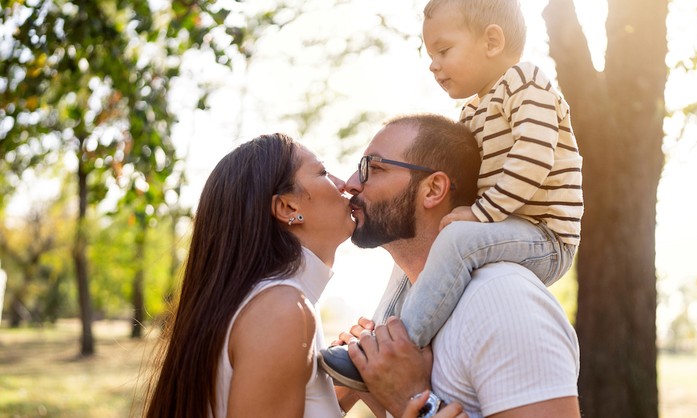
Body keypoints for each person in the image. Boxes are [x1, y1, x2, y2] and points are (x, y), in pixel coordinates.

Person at [321, 0, 583, 390]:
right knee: (420, 256)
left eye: (443, 51)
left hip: (545, 236)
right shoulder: (473, 111)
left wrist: (479, 214)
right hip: (506, 226)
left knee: (457, 239)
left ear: (492, 41)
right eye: (430, 54)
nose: (433, 64)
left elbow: (533, 158)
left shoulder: (527, 84)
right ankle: (375, 342)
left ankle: (405, 345)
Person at [139, 133, 463, 418]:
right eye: (322, 172)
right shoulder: (282, 308)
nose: (345, 184)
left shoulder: (276, 300)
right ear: (288, 209)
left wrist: (346, 389)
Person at [330, 114, 582, 417]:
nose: (351, 183)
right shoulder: (402, 309)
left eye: (374, 168)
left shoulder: (501, 298)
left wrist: (412, 398)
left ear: (434, 189)